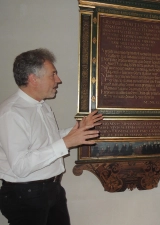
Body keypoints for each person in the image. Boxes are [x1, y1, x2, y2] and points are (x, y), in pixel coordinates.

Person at [0, 48, 103, 225]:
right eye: (53, 74)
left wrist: (77, 129)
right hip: (26, 196)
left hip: (52, 189)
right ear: (33, 79)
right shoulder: (12, 114)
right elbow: (20, 166)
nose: (58, 80)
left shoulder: (42, 106)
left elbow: (49, 139)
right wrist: (67, 142)